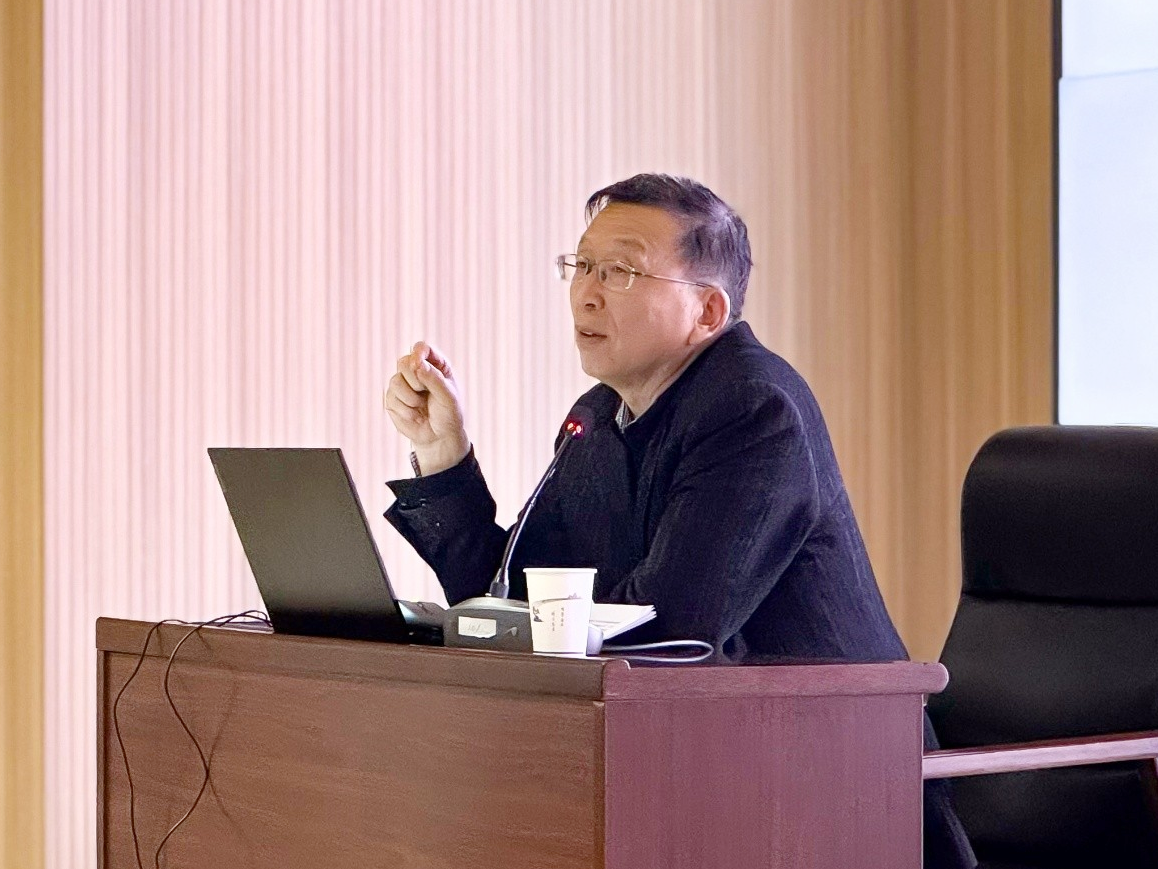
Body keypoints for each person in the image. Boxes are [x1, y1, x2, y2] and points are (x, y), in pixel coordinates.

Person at [383, 173, 975, 868]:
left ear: (707, 311)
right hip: (701, 768)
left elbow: (672, 637)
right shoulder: (596, 419)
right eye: (581, 265)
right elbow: (509, 597)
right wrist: (443, 453)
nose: (586, 292)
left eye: (621, 271)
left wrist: (538, 626)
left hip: (835, 787)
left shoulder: (755, 409)